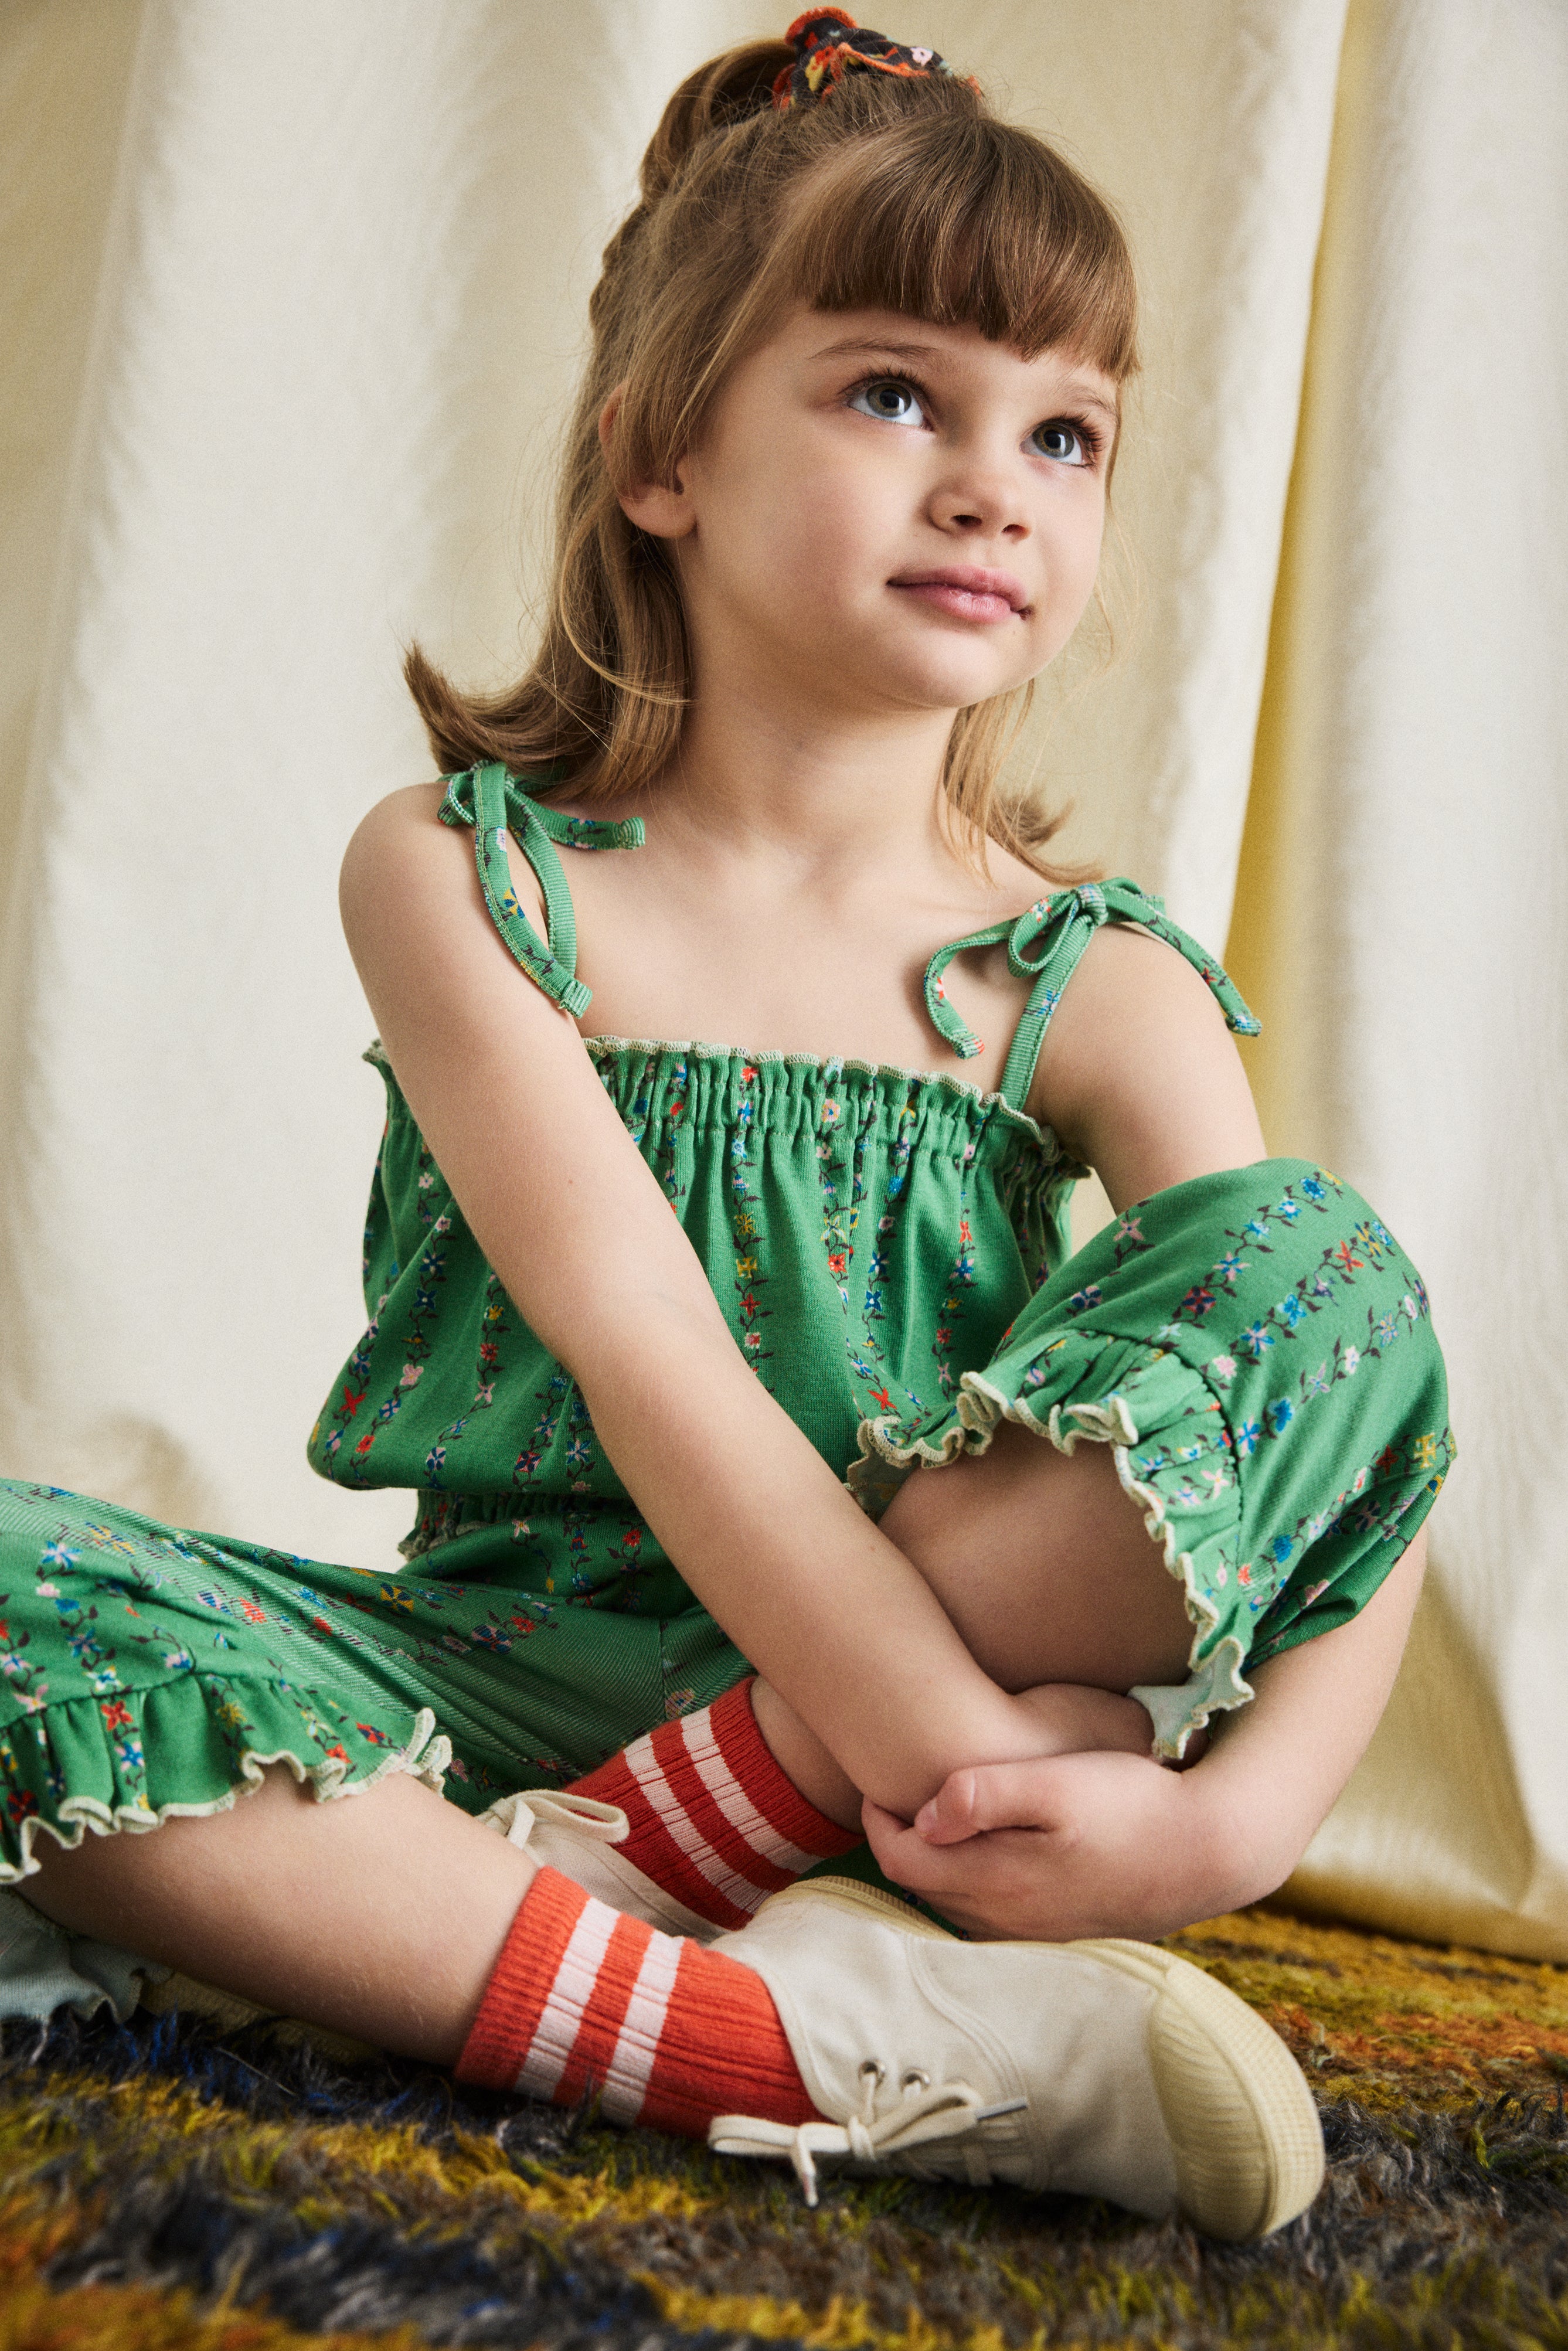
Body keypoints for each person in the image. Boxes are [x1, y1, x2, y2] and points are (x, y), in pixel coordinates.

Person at [0, 10, 1450, 2240]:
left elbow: (1360, 1451)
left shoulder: (1096, 978)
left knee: (1331, 1270)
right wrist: (944, 1745)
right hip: (512, 1692)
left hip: (939, 1674)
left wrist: (1220, 1830)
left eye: (1064, 432)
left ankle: (521, 1899)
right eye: (895, 396)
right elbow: (644, 1346)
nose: (995, 485)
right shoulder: (470, 878)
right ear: (661, 454)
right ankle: (751, 2024)